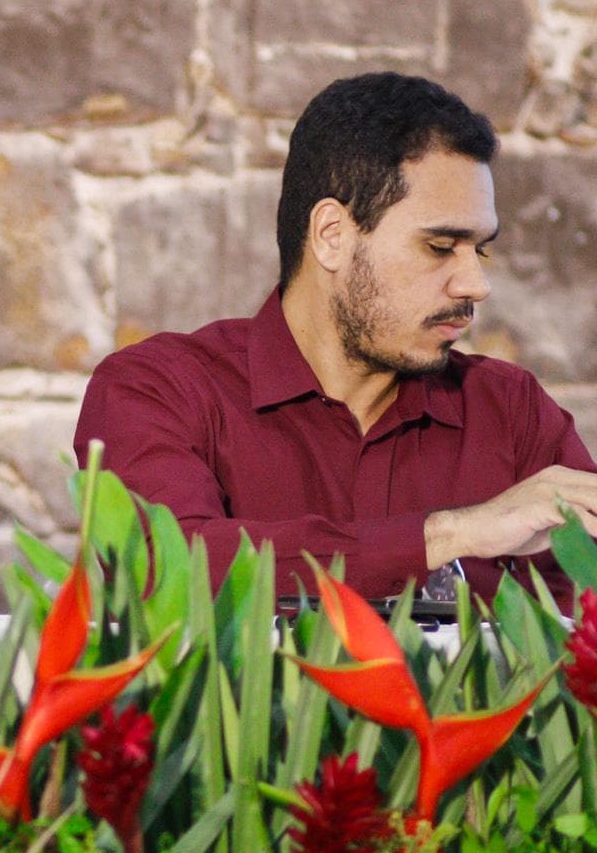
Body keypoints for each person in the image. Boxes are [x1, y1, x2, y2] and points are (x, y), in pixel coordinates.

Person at [75, 72, 597, 606]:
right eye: (441, 246)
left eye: (479, 250)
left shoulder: (514, 412)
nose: (476, 285)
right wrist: (453, 535)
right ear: (332, 235)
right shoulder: (157, 389)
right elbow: (166, 567)